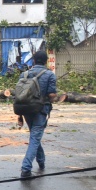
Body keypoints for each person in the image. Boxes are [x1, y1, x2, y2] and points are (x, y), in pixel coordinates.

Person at [18, 50, 57, 178]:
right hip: (40, 110)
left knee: (35, 136)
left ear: (33, 61)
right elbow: (51, 95)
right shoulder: (50, 75)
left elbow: (20, 96)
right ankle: (26, 168)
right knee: (35, 137)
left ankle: (41, 161)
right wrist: (51, 100)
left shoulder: (24, 74)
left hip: (26, 110)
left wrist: (19, 115)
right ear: (46, 62)